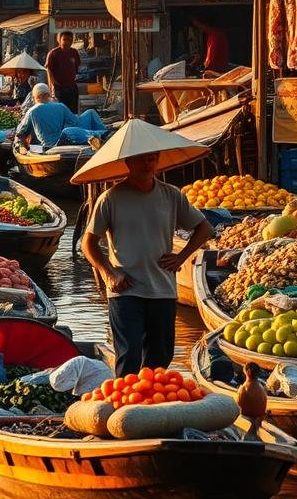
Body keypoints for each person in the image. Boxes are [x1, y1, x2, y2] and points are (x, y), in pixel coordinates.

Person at [76, 120, 212, 376]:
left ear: (157, 160)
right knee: (129, 357)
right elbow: (88, 242)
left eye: (152, 158)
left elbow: (204, 228)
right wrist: (109, 273)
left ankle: (150, 407)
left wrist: (181, 256)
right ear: (128, 163)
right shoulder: (111, 198)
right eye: (141, 159)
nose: (147, 164)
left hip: (162, 288)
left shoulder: (171, 195)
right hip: (125, 290)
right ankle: (126, 410)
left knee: (161, 358)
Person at [15, 83, 108, 149]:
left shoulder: (31, 111)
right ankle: (103, 134)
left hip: (59, 140)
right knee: (88, 114)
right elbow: (75, 121)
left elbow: (20, 132)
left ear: (35, 97)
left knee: (73, 127)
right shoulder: (60, 106)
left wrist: (23, 144)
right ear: (48, 95)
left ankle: (101, 135)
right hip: (54, 145)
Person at [45, 30, 82, 112]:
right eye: (65, 39)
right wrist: (53, 86)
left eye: (70, 39)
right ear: (59, 40)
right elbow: (49, 70)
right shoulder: (53, 53)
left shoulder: (74, 52)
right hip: (59, 88)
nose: (67, 42)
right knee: (61, 112)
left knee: (73, 112)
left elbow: (76, 68)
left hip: (72, 87)